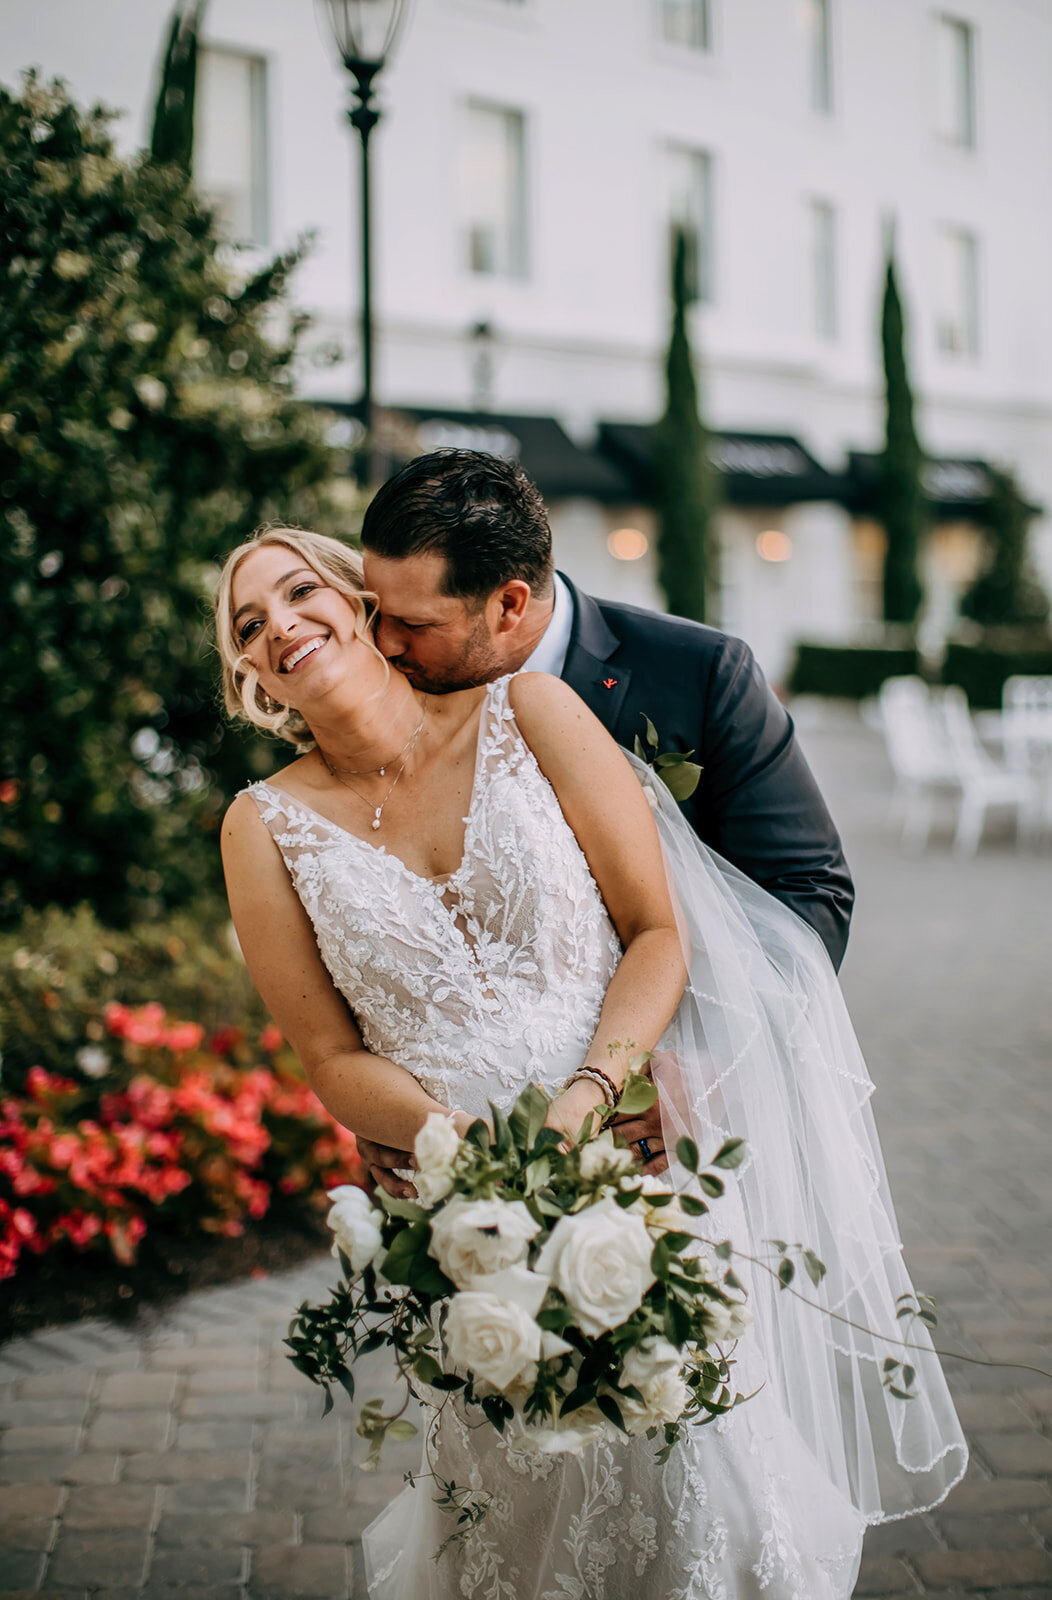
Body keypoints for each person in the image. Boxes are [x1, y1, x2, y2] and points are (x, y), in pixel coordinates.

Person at [217, 527, 966, 1600]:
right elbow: (328, 1053)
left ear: (364, 604)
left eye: (298, 590)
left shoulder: (529, 711)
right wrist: (470, 1163)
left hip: (638, 1168)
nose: (279, 625)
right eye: (249, 623)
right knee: (518, 1505)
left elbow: (657, 929)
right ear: (247, 669)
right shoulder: (262, 824)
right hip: (470, 1225)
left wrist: (587, 1097)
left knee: (698, 1482)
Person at [356, 448, 853, 1191]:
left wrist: (706, 1065)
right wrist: (395, 1110)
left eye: (413, 622)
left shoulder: (702, 674)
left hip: (667, 1127)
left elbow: (811, 893)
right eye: (374, 611)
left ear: (510, 604)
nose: (386, 643)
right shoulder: (392, 698)